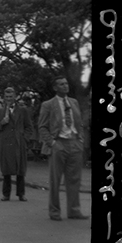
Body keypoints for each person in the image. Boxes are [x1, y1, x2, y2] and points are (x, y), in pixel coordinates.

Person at [38, 76, 88, 221]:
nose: (65, 86)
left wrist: (80, 140)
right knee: (55, 180)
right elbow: (42, 127)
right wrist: (52, 143)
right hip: (58, 144)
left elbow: (80, 124)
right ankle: (54, 211)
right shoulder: (48, 105)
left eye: (66, 83)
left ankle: (74, 210)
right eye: (61, 84)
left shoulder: (74, 102)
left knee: (74, 179)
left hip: (74, 143)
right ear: (55, 88)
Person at [0, 87, 33, 201]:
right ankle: (6, 194)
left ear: (15, 97)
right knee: (6, 170)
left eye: (11, 97)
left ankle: (21, 194)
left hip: (19, 143)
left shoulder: (22, 111)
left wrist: (25, 139)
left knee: (20, 169)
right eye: (6, 97)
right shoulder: (0, 112)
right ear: (4, 98)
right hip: (6, 143)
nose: (9, 99)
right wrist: (2, 123)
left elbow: (29, 127)